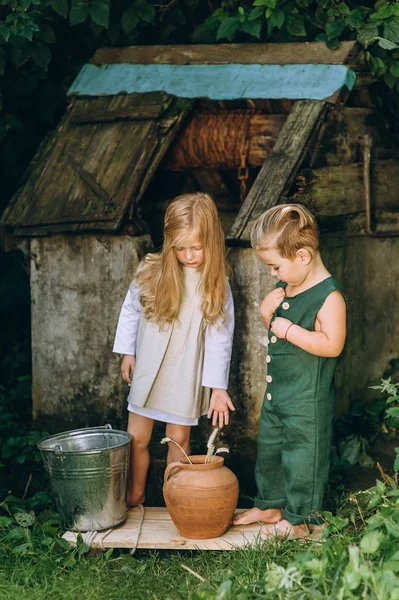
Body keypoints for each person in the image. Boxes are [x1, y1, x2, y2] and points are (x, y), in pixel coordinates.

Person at [113, 193, 235, 506]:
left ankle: (174, 501)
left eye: (197, 247)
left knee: (178, 440)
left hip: (185, 371)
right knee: (137, 438)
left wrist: (217, 388)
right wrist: (128, 352)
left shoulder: (215, 283)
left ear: (212, 239)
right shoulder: (151, 270)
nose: (189, 255)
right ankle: (134, 496)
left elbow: (221, 336)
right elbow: (131, 309)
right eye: (180, 248)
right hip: (150, 368)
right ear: (169, 244)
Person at [233, 204, 346, 538]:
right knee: (270, 450)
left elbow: (332, 345)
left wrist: (285, 329)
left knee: (302, 459)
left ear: (302, 256)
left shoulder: (330, 297)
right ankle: (270, 503)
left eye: (275, 266)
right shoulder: (290, 286)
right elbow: (279, 330)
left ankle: (300, 518)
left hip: (307, 401)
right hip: (278, 393)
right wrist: (267, 316)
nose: (272, 274)